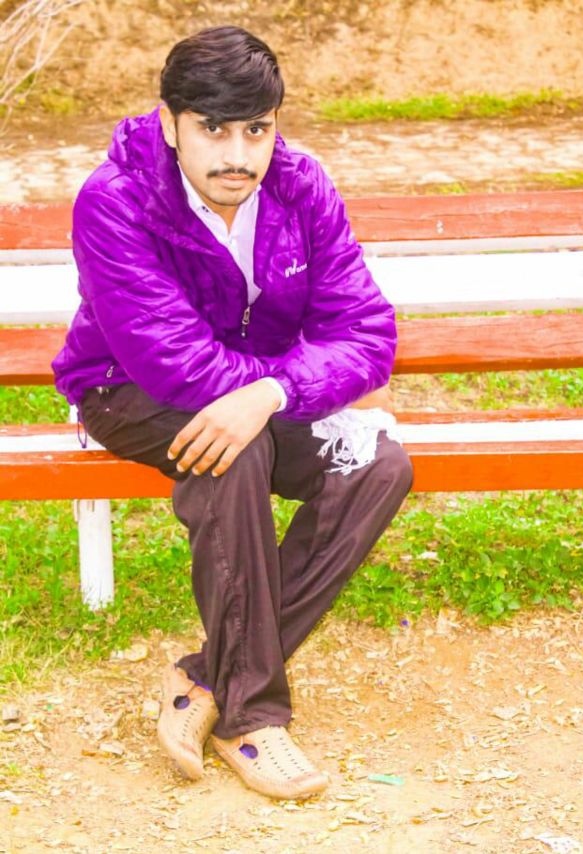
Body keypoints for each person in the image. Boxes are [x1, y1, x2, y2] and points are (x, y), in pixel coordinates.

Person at [52, 25, 413, 800]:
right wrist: (287, 388)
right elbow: (173, 362)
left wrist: (272, 393)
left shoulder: (301, 186)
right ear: (170, 122)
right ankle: (250, 716)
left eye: (256, 130)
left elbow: (365, 333)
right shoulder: (115, 200)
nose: (237, 155)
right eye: (213, 129)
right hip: (128, 388)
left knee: (377, 463)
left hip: (259, 393)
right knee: (231, 451)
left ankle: (206, 679)